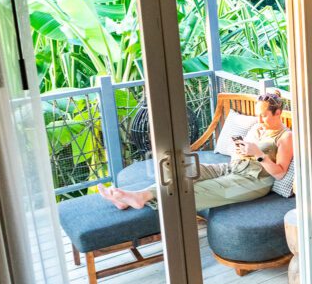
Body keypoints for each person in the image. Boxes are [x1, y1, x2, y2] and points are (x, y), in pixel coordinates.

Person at [98, 90, 293, 211]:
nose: (259, 120)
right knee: (177, 169)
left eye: (264, 116)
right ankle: (137, 196)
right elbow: (245, 152)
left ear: (278, 113)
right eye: (257, 115)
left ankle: (139, 198)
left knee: (191, 189)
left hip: (252, 182)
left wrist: (258, 154)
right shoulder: (259, 128)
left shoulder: (286, 137)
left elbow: (280, 173)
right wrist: (240, 150)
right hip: (232, 168)